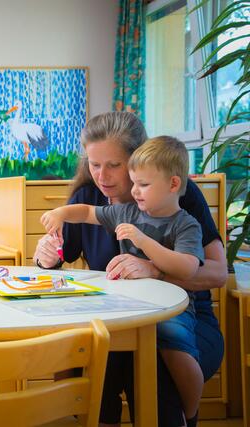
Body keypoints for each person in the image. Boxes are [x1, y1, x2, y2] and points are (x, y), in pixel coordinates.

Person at [32, 112, 227, 427]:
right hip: (112, 318)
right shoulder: (89, 199)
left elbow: (217, 273)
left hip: (181, 316)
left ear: (136, 160)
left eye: (114, 165)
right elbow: (55, 257)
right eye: (94, 165)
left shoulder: (176, 195)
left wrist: (155, 270)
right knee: (86, 365)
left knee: (154, 373)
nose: (102, 176)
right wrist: (43, 256)